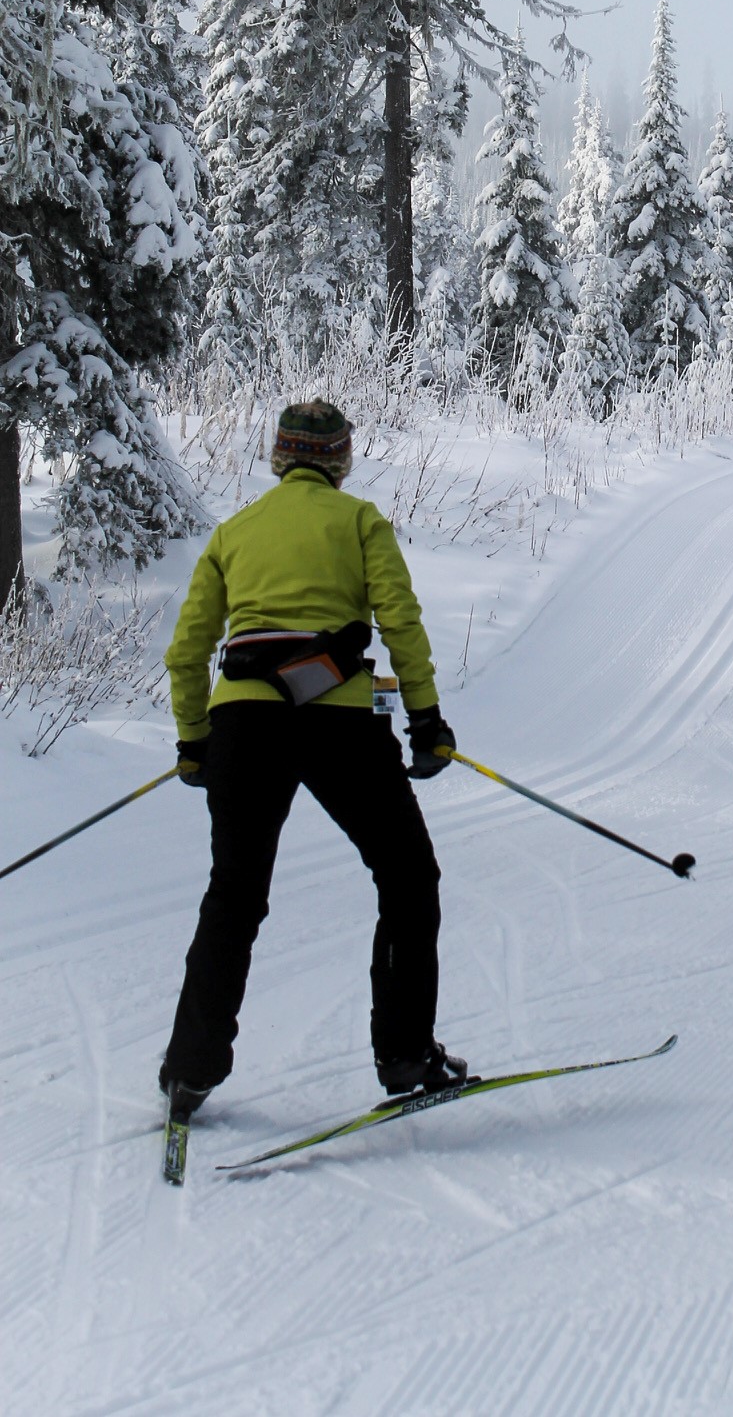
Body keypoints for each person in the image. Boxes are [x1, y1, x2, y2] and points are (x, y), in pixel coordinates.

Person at [159, 400, 466, 1120]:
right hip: (338, 723)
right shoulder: (360, 523)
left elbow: (188, 649)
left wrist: (193, 741)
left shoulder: (234, 532)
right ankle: (405, 1055)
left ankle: (191, 1070)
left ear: (280, 456)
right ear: (340, 459)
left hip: (241, 724)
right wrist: (426, 722)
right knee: (407, 875)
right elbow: (401, 623)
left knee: (234, 895)